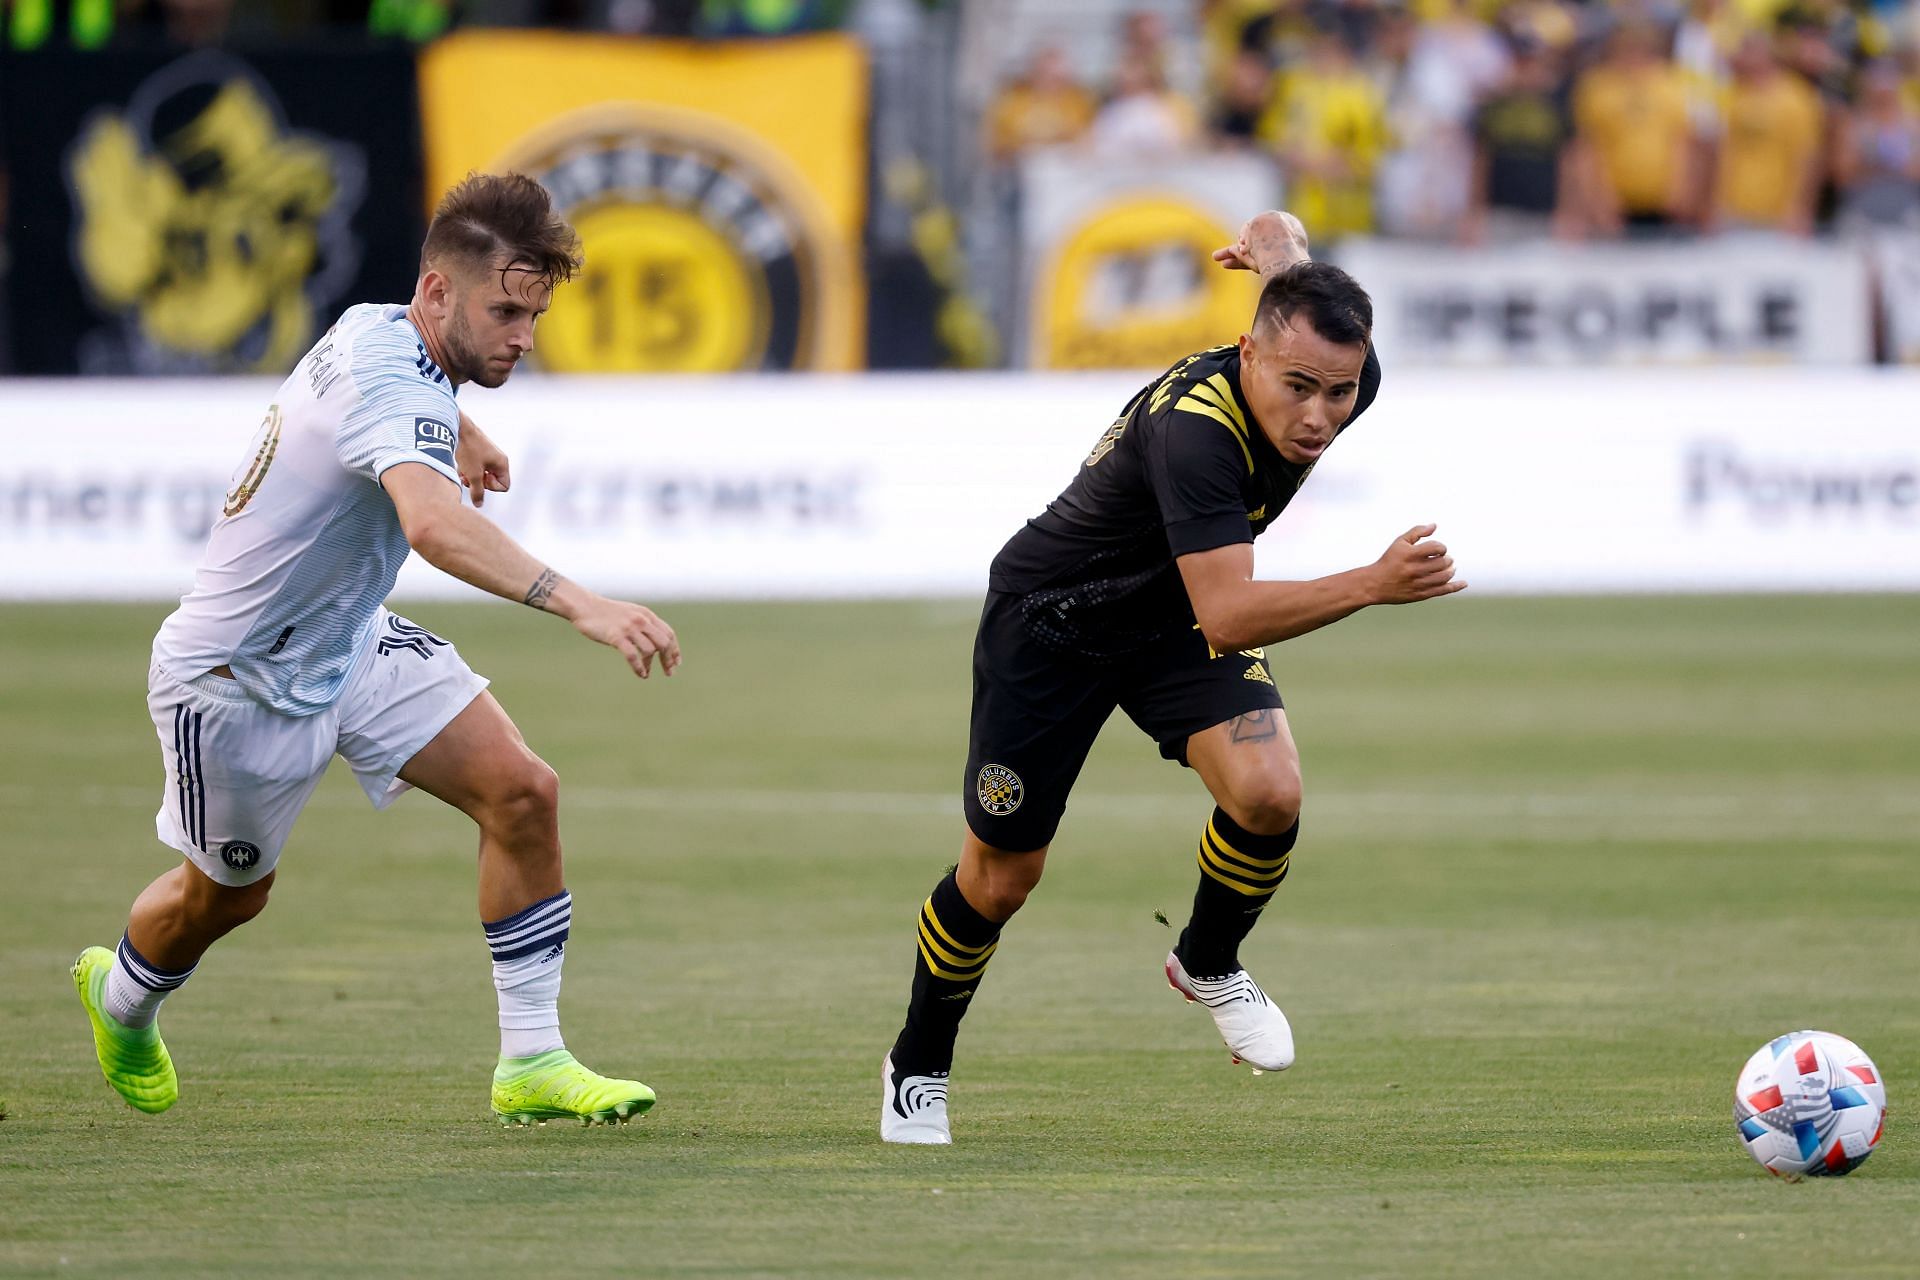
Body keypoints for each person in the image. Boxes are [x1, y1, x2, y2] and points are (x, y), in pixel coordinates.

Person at [72, 172, 682, 1127]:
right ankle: (123, 1000)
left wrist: (462, 426)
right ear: (438, 292)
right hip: (235, 679)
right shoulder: (390, 377)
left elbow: (396, 394)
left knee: (524, 792)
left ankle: (531, 1063)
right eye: (505, 312)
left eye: (534, 314)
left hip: (347, 643)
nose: (523, 337)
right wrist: (584, 606)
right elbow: (435, 528)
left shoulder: (377, 326)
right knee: (225, 899)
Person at [879, 211, 1466, 1145]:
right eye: (1299, 387)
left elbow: (1293, 273)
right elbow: (1231, 614)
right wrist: (1372, 583)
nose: (1319, 415)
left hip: (1171, 623)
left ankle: (1207, 959)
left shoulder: (1333, 361)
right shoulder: (1197, 436)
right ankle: (918, 1064)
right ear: (1247, 356)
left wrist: (1278, 244)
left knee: (1270, 791)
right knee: (999, 880)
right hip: (1052, 625)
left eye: (1340, 392)